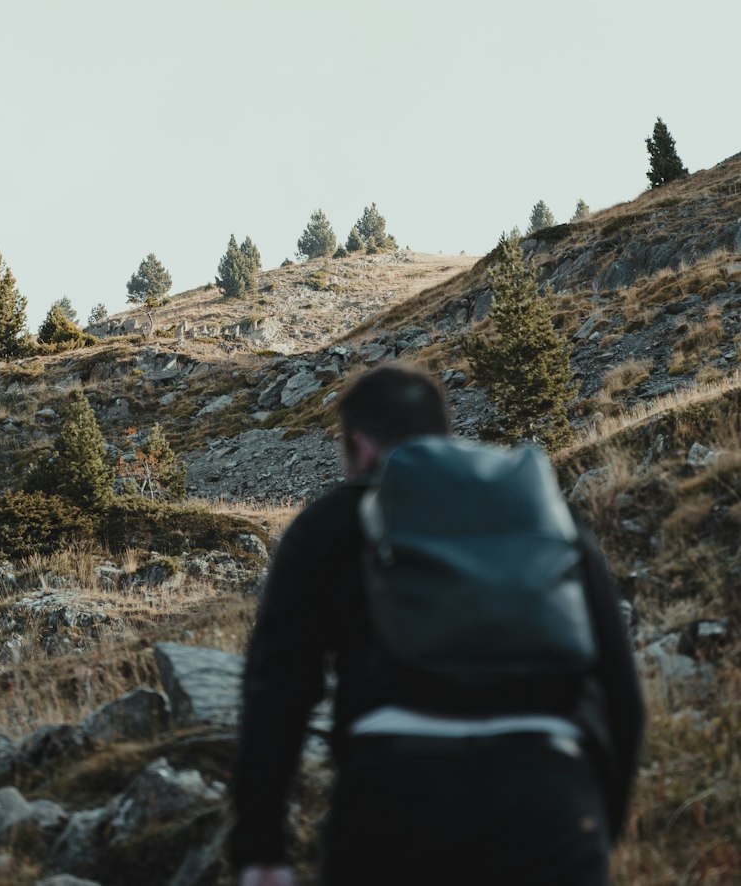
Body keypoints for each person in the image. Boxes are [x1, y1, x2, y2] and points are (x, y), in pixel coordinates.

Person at [231, 364, 644, 885]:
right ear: (440, 434)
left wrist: (261, 845)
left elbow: (278, 687)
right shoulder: (540, 515)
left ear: (360, 447)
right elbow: (620, 689)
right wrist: (594, 820)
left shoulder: (334, 521)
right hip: (548, 795)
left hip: (397, 797)